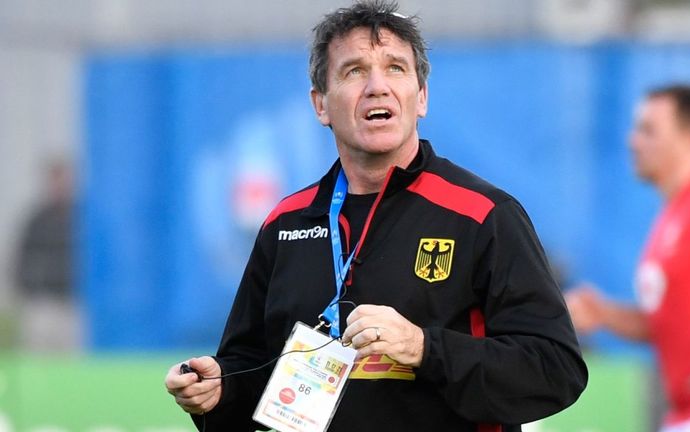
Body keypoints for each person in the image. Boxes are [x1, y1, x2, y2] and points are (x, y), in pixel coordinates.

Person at [165, 2, 587, 431]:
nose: (377, 87)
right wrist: (218, 393)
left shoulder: (484, 215)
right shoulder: (285, 223)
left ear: (421, 97)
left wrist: (424, 347)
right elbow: (251, 367)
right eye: (354, 71)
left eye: (396, 68)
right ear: (321, 105)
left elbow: (555, 370)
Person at [567, 85, 690, 432]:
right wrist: (603, 313)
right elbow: (670, 323)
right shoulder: (673, 214)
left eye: (648, 130)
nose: (633, 141)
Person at [14, 159, 81, 352]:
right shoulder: (38, 219)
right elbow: (23, 256)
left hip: (73, 299)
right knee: (40, 352)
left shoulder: (81, 218)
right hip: (44, 299)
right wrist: (27, 287)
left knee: (71, 353)